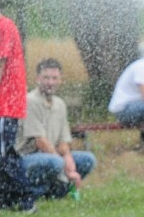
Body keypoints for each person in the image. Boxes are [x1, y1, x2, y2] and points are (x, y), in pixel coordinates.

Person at [17, 58, 96, 200]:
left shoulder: (60, 104)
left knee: (88, 159)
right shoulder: (29, 101)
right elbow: (40, 141)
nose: (50, 82)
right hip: (27, 158)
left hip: (52, 157)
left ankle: (56, 191)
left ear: (60, 80)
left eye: (54, 78)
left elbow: (63, 141)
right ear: (37, 79)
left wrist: (68, 159)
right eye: (46, 78)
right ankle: (31, 193)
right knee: (56, 162)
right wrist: (63, 164)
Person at [0, 10, 35, 213]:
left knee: (5, 153)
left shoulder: (3, 26)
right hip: (4, 103)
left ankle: (26, 199)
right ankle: (5, 199)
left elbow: (0, 63)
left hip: (5, 103)